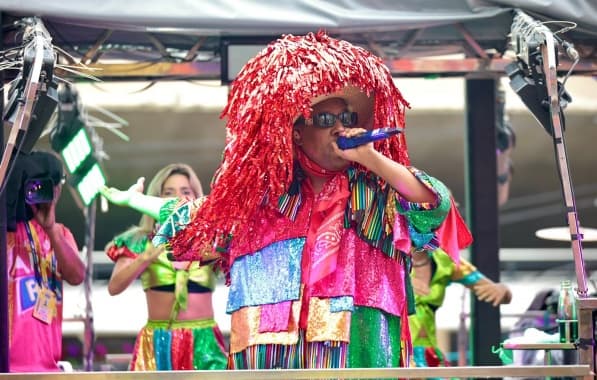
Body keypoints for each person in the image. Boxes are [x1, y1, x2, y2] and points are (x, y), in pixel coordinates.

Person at [101, 31, 468, 369]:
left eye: (347, 117)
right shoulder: (260, 203)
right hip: (272, 357)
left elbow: (434, 205)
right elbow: (189, 218)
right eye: (326, 118)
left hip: (358, 353)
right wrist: (133, 202)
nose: (340, 127)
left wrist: (372, 158)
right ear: (296, 132)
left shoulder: (375, 194)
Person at [104, 163, 227, 371]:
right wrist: (147, 256)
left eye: (185, 192)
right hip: (158, 342)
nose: (176, 197)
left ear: (197, 197)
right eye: (168, 192)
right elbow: (114, 287)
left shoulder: (211, 239)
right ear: (155, 198)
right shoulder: (139, 240)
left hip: (204, 341)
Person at [6, 150, 86, 372]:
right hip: (7, 368)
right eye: (32, 186)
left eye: (47, 186)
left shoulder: (61, 233)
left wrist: (50, 229)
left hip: (48, 368)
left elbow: (77, 276)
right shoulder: (7, 231)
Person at [409, 247, 512, 367]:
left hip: (429, 353)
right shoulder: (388, 260)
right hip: (395, 350)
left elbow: (495, 291)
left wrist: (503, 290)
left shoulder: (444, 260)